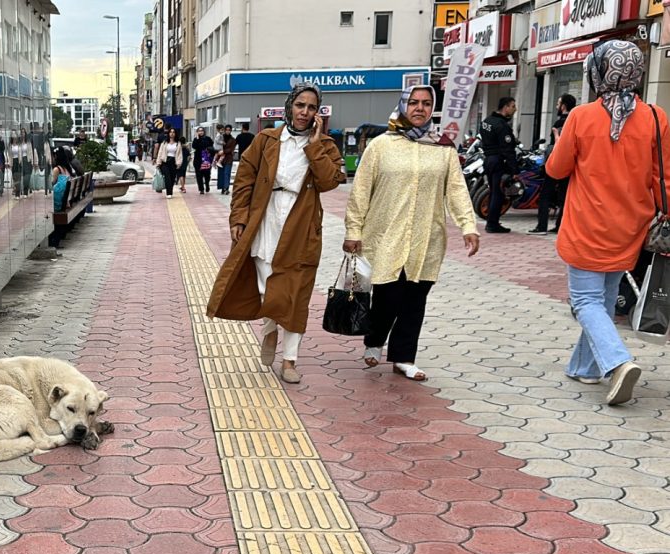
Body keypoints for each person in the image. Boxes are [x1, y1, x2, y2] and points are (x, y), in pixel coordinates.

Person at [545, 40, 668, 405]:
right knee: (604, 298)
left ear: (599, 72)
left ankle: (618, 362)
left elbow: (556, 168)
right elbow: (664, 177)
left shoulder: (581, 117)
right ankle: (585, 367)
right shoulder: (655, 117)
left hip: (588, 223)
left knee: (585, 301)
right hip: (631, 225)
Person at [206, 84, 346, 383]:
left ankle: (290, 360)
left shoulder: (325, 145)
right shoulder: (267, 139)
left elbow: (329, 182)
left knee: (296, 295)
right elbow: (244, 179)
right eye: (300, 105)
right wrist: (239, 217)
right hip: (266, 218)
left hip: (302, 222)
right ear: (289, 106)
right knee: (267, 287)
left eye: (311, 107)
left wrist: (315, 144)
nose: (304, 112)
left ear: (317, 113)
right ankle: (271, 329)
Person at [343, 85, 480, 381]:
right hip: (386, 234)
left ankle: (404, 357)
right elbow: (361, 191)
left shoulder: (442, 147)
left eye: (426, 103)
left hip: (426, 237)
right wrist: (354, 229)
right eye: (414, 103)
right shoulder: (381, 146)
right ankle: (375, 341)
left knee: (415, 298)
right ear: (403, 105)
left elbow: (456, 189)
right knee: (386, 295)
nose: (420, 108)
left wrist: (468, 226)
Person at [532, 93, 577, 234]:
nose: (557, 106)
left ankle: (541, 226)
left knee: (546, 193)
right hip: (570, 163)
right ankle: (560, 226)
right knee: (564, 194)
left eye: (558, 104)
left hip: (556, 161)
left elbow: (558, 144)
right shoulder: (576, 120)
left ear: (563, 106)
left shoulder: (559, 123)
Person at [480, 97, 518, 233]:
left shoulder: (487, 121)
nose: (515, 109)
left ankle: (491, 221)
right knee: (498, 193)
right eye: (513, 106)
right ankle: (492, 224)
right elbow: (508, 150)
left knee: (493, 190)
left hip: (488, 160)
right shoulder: (502, 126)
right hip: (498, 161)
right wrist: (514, 170)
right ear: (506, 107)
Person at [155, 127, 182, 198]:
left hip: (173, 162)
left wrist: (179, 163)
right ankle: (168, 193)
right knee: (167, 177)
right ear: (168, 133)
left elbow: (179, 154)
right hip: (165, 162)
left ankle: (170, 191)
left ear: (175, 134)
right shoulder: (164, 143)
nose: (172, 133)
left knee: (172, 178)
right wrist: (158, 163)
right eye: (170, 132)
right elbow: (160, 153)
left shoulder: (178, 143)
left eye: (173, 132)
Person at [52, 146, 75, 212]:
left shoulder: (57, 169)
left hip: (60, 202)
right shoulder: (67, 167)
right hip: (67, 199)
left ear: (56, 157)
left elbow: (52, 183)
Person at [192, 126, 214, 194]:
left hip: (206, 159)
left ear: (204, 132)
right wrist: (197, 139)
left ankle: (207, 184)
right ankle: (201, 189)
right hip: (198, 159)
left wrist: (210, 154)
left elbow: (212, 147)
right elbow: (194, 146)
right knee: (199, 175)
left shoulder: (207, 138)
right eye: (199, 131)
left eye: (202, 131)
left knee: (207, 174)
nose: (200, 132)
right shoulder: (196, 139)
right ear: (197, 132)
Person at [216, 125, 237, 195]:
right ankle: (222, 188)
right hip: (221, 159)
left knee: (227, 173)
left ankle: (226, 188)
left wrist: (224, 151)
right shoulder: (221, 137)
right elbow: (216, 144)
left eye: (229, 130)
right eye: (226, 129)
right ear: (224, 130)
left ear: (231, 130)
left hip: (228, 158)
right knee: (221, 173)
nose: (228, 131)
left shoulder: (233, 139)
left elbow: (231, 149)